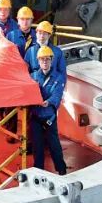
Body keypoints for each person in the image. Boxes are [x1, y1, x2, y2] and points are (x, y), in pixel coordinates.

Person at [29, 46, 67, 175]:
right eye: (42, 59)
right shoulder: (32, 77)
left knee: (54, 145)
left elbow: (57, 94)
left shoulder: (58, 78)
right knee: (37, 146)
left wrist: (48, 102)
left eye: (47, 59)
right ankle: (39, 171)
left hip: (49, 118)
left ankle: (62, 170)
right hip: (35, 118)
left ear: (51, 60)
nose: (45, 62)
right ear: (38, 61)